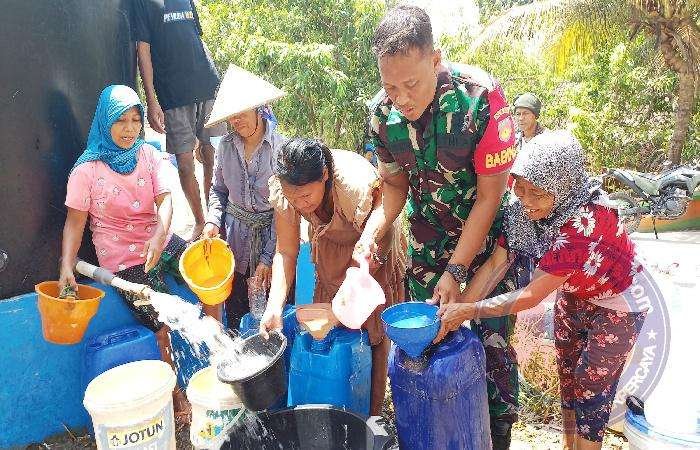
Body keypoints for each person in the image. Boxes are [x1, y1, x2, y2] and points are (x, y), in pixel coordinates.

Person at [363, 5, 520, 447]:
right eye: (390, 87)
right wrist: (372, 233)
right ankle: (435, 432)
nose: (401, 98)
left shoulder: (480, 99)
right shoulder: (382, 116)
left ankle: (496, 435)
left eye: (411, 84)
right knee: (428, 345)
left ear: (435, 60)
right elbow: (394, 187)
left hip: (487, 245)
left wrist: (457, 269)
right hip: (428, 243)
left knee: (490, 345)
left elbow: (490, 197)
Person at [436, 131, 648, 450]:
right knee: (569, 377)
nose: (526, 200)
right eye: (520, 187)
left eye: (537, 193)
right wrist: (454, 313)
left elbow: (531, 295)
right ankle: (569, 445)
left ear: (562, 188)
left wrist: (467, 311)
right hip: (576, 292)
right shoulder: (522, 208)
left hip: (620, 302)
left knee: (591, 388)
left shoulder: (586, 223)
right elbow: (497, 264)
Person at [58, 85, 219, 421]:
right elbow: (74, 223)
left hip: (160, 239)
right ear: (105, 122)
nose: (129, 129)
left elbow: (166, 200)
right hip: (123, 257)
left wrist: (160, 235)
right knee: (158, 324)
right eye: (121, 120)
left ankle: (217, 364)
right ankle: (176, 397)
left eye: (135, 120)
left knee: (209, 278)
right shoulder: (86, 171)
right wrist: (66, 267)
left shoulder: (148, 154)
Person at [259, 137, 407, 416]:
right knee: (330, 322)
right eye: (293, 198)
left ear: (325, 176)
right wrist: (274, 307)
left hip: (372, 242)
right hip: (330, 244)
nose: (300, 205)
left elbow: (384, 213)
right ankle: (332, 402)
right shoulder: (286, 190)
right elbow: (286, 251)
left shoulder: (353, 186)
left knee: (369, 329)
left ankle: (371, 415)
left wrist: (367, 243)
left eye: (306, 197)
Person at [201, 65, 287, 329]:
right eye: (232, 116)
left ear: (258, 109)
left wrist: (267, 258)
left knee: (272, 316)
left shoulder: (281, 149)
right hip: (234, 241)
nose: (237, 121)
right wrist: (212, 220)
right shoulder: (225, 147)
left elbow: (285, 210)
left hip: (273, 239)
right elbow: (218, 191)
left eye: (242, 113)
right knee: (236, 311)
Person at [132, 0, 226, 241]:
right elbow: (143, 50)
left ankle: (215, 220)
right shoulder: (141, 3)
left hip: (206, 85)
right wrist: (151, 100)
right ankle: (199, 220)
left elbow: (197, 38)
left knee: (213, 157)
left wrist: (218, 82)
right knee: (184, 164)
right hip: (173, 95)